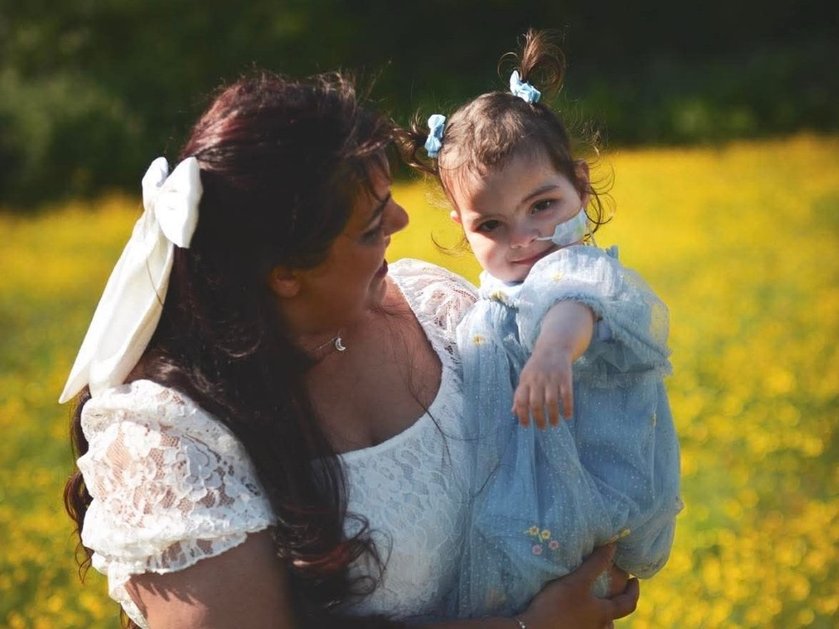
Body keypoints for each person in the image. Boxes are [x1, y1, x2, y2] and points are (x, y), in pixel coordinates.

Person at [60, 69, 640, 629]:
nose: (403, 218)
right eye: (369, 225)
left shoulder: (436, 306)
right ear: (287, 274)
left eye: (389, 194)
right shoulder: (173, 434)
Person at [401, 30, 682, 620]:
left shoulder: (576, 269)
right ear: (462, 224)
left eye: (543, 205)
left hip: (585, 516)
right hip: (527, 525)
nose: (524, 238)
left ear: (579, 186)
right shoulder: (493, 300)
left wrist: (554, 351)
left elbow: (571, 302)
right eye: (492, 225)